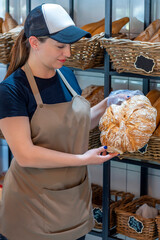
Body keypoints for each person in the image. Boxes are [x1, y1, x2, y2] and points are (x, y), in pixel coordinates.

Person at [0, 3, 127, 240]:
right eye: (60, 46)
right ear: (35, 42)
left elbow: (72, 124)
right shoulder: (12, 90)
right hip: (31, 208)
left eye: (69, 45)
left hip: (73, 202)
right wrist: (82, 159)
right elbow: (26, 154)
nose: (67, 53)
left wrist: (107, 103)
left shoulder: (66, 74)